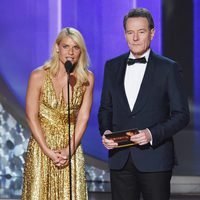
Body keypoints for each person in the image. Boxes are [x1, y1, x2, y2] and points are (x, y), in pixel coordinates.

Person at [98, 8, 190, 200]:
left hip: (155, 159)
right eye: (130, 32)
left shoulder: (168, 68)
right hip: (120, 160)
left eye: (141, 31)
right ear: (125, 34)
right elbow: (106, 108)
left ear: (152, 33)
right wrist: (106, 131)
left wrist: (151, 134)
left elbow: (181, 115)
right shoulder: (112, 66)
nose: (135, 38)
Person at [22, 27, 94, 200]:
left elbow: (83, 117)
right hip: (42, 146)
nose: (70, 52)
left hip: (71, 146)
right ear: (57, 47)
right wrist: (48, 151)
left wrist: (69, 150)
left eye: (76, 47)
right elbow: (31, 116)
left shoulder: (86, 79)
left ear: (81, 52)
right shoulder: (38, 75)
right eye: (66, 46)